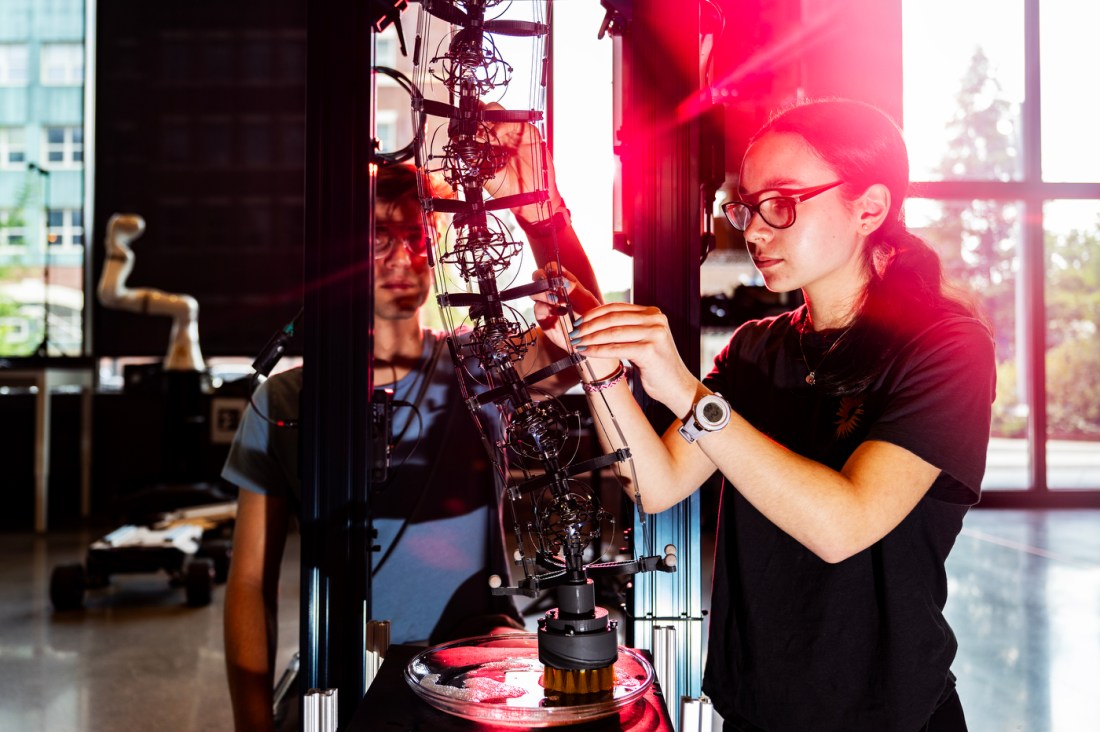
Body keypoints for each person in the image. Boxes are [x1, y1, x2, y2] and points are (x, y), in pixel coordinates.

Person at [556, 99, 995, 731]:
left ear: (869, 207)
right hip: (758, 703)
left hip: (883, 710)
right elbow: (655, 484)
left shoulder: (945, 348)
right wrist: (597, 365)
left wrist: (685, 391)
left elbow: (843, 524)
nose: (755, 231)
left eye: (782, 204)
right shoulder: (757, 347)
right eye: (746, 207)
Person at [222, 117, 602, 731]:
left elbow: (585, 346)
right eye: (378, 239)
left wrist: (543, 212)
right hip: (339, 672)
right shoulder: (286, 401)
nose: (403, 258)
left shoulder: (478, 365)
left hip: (475, 672)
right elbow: (248, 583)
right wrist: (251, 724)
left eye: (417, 237)